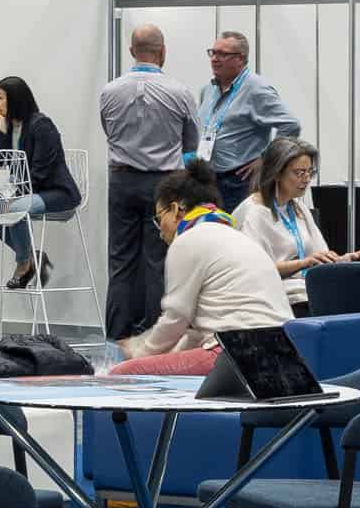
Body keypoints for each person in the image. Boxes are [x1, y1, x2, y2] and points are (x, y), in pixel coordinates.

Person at [114, 161, 293, 376]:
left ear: (174, 209)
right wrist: (146, 346)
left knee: (123, 374)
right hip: (284, 351)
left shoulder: (188, 240)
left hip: (235, 353)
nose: (160, 232)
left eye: (158, 219)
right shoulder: (237, 236)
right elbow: (194, 332)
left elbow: (176, 319)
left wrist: (138, 353)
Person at [97, 26, 197, 336]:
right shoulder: (180, 92)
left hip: (122, 182)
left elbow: (108, 130)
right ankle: (155, 337)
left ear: (131, 51)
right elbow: (191, 142)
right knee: (158, 262)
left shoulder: (109, 91)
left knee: (121, 262)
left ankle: (116, 337)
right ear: (163, 51)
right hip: (164, 186)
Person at [236, 138, 360, 297]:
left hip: (306, 290)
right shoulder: (253, 213)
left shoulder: (297, 208)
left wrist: (347, 259)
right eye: (299, 173)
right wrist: (303, 263)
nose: (307, 179)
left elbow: (319, 256)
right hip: (278, 296)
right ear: (276, 173)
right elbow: (255, 271)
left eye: (309, 172)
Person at [0, 76, 80, 289]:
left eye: (0, 98)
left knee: (15, 209)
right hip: (27, 191)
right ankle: (33, 258)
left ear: (16, 99)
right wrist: (1, 130)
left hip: (57, 192)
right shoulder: (10, 126)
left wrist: (13, 195)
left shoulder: (41, 125)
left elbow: (41, 173)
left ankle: (23, 265)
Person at [194, 30, 300, 209]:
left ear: (240, 59)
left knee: (238, 234)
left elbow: (291, 126)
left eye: (223, 54)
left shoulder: (256, 89)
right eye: (213, 52)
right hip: (208, 179)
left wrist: (266, 160)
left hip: (239, 181)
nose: (214, 58)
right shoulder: (208, 89)